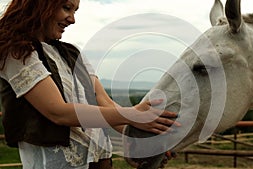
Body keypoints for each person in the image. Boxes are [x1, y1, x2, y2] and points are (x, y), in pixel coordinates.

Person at [0, 0, 180, 168]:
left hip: (101, 160)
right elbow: (58, 112)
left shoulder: (73, 52)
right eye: (66, 8)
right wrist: (133, 115)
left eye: (75, 11)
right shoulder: (17, 52)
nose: (72, 19)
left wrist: (141, 139)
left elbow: (103, 101)